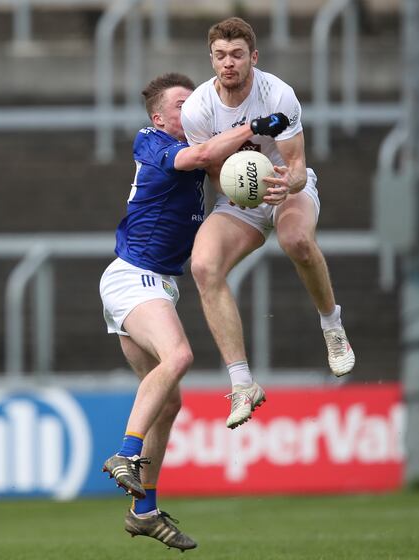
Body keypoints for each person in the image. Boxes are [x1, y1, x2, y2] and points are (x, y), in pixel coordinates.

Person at [99, 72, 289, 551]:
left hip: (156, 283)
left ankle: (144, 512)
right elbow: (203, 155)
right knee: (178, 357)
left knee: (170, 402)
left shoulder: (200, 151)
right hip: (132, 277)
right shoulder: (152, 141)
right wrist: (253, 125)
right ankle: (124, 453)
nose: (196, 109)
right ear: (160, 117)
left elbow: (222, 166)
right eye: (185, 103)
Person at [181, 17, 356, 430]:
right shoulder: (197, 109)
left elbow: (297, 165)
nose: (229, 63)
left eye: (237, 55)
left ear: (253, 58)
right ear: (211, 59)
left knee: (296, 240)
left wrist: (282, 185)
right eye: (221, 56)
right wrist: (245, 186)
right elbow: (210, 168)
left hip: (283, 185)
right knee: (204, 266)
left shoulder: (278, 94)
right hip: (241, 196)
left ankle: (332, 326)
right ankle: (242, 383)